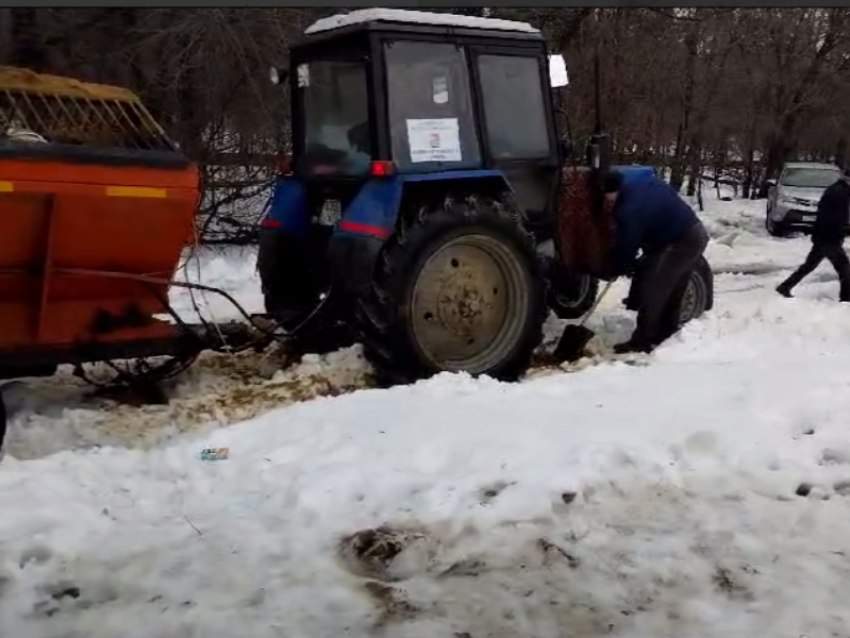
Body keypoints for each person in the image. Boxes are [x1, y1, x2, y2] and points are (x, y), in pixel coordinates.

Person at [600, 170, 710, 354]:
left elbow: (627, 244)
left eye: (610, 200)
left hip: (681, 240)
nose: (609, 204)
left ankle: (641, 342)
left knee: (655, 289)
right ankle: (666, 335)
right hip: (694, 233)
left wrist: (617, 266)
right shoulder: (633, 177)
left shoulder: (630, 208)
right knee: (673, 290)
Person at [776, 167, 850, 301]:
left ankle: (785, 287)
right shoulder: (839, 192)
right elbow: (834, 217)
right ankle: (846, 298)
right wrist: (843, 229)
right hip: (829, 237)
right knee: (844, 268)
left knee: (809, 265)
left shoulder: (839, 190)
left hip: (824, 236)